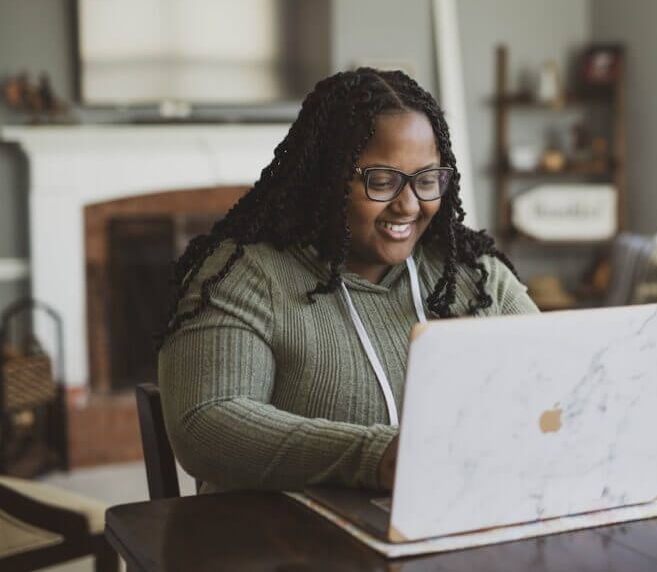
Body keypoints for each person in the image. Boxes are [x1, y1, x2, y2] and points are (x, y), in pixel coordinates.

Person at [157, 68, 538, 494]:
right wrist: (378, 458)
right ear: (327, 178)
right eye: (382, 180)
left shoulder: (473, 274)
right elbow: (207, 422)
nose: (408, 205)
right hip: (280, 545)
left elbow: (556, 384)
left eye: (427, 180)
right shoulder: (244, 274)